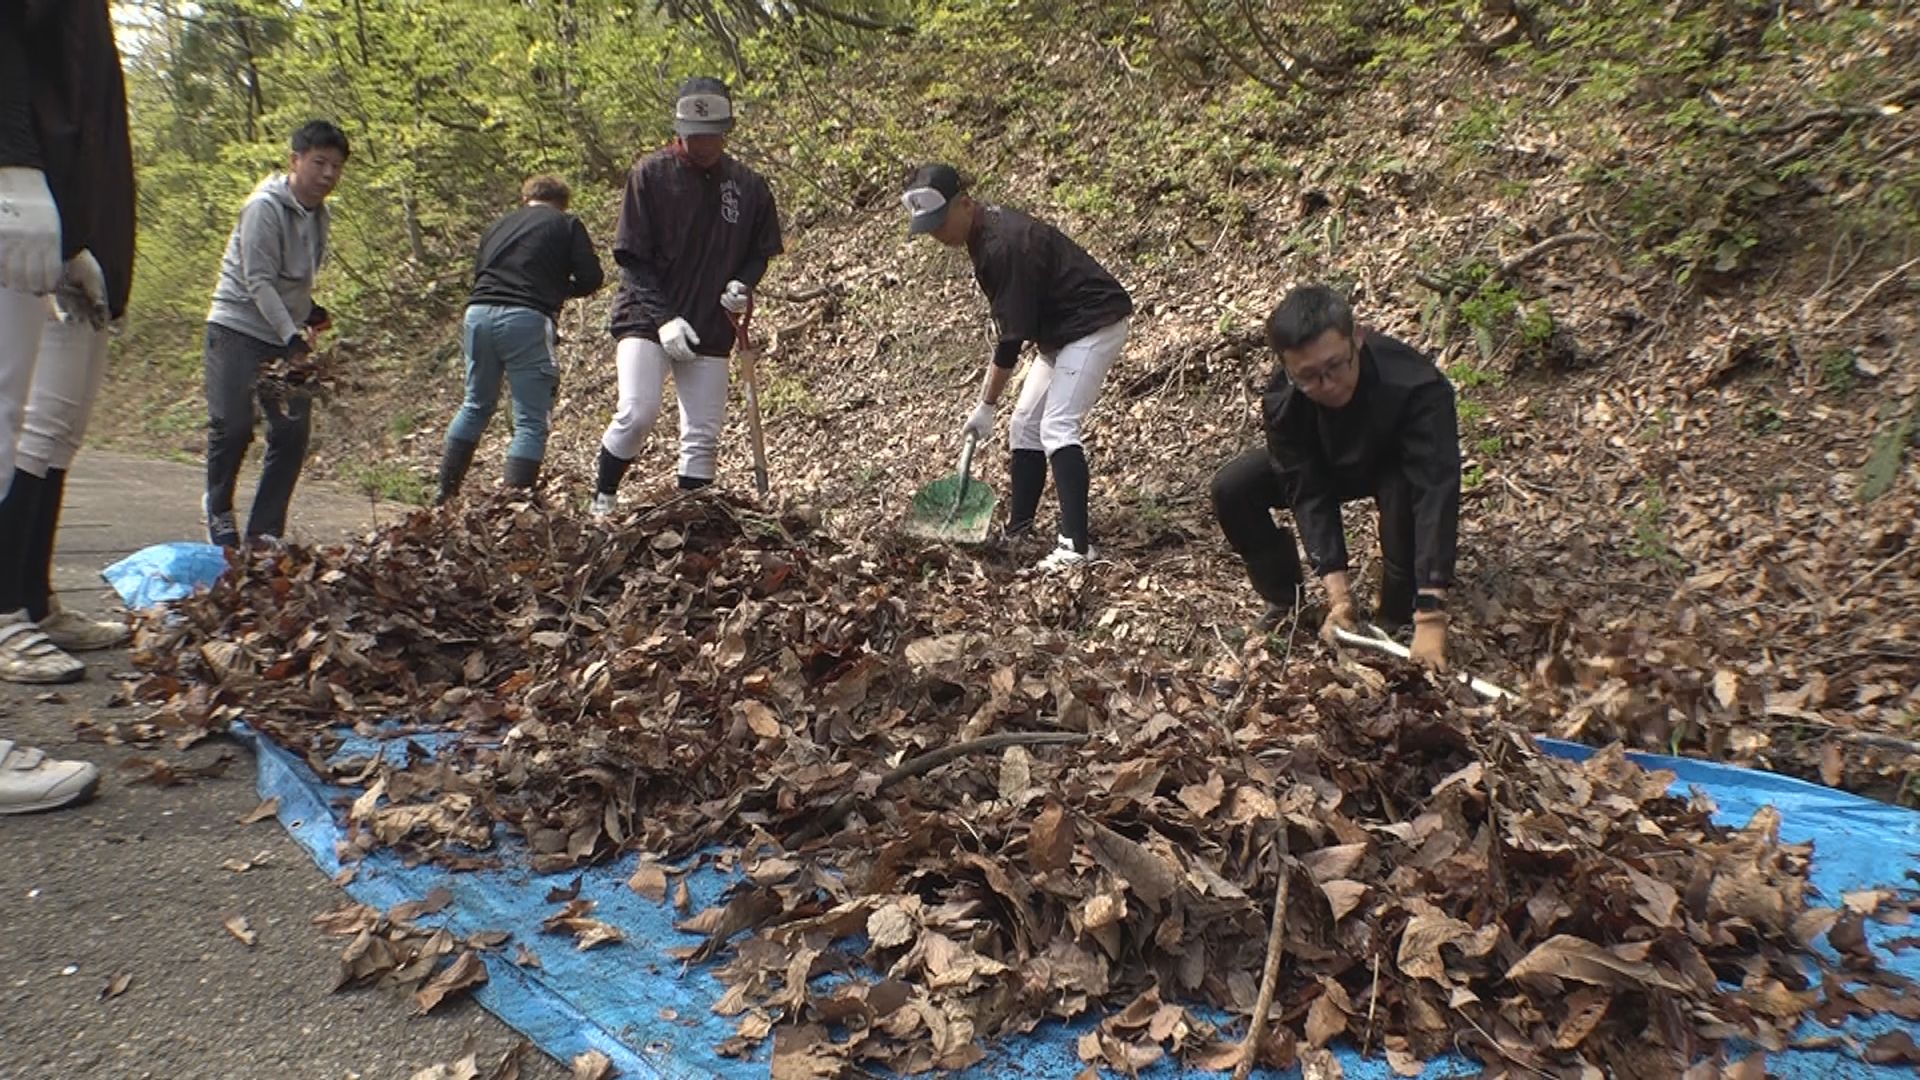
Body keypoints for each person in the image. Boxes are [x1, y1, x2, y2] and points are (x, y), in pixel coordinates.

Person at [0, 0, 135, 810]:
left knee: (37, 431)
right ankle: (8, 608)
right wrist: (12, 162)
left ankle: (31, 598)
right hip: (16, 194)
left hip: (58, 223)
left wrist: (80, 230)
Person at [1210, 285, 1460, 669]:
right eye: (1307, 377)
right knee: (1233, 488)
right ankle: (1284, 601)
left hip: (1394, 466)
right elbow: (1306, 490)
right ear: (1286, 367)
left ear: (1356, 339)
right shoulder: (1283, 401)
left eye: (1335, 366)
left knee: (1403, 491)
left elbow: (1436, 491)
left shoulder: (1415, 385)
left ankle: (1399, 607)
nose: (1326, 386)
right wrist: (1338, 594)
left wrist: (1431, 613)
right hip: (1329, 464)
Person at [901, 163, 1133, 572]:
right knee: (1024, 424)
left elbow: (1011, 339)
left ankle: (1076, 546)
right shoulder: (983, 233)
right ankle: (1020, 529)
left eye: (940, 223)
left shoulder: (1004, 244)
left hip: (1093, 322)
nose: (938, 235)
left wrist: (986, 404)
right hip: (1060, 330)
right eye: (929, 227)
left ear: (965, 204)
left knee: (1058, 426)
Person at [592, 76, 783, 515]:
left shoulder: (749, 186)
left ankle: (688, 519)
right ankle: (603, 499)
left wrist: (741, 285)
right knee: (637, 413)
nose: (705, 144)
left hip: (711, 322)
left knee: (702, 434)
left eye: (714, 134)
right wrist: (663, 319)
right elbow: (631, 258)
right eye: (696, 135)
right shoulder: (650, 175)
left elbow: (759, 253)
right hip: (645, 316)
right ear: (678, 130)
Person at [201, 119, 349, 547]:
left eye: (336, 167)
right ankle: (217, 507)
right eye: (319, 162)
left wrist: (310, 313)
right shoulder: (263, 208)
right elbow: (259, 281)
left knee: (291, 430)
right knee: (233, 426)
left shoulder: (320, 215)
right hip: (236, 328)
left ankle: (265, 532)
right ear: (295, 161)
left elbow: (298, 282)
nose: (327, 174)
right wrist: (292, 338)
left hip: (284, 330)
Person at [436, 175, 605, 503]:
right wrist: (558, 289)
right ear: (562, 202)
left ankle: (445, 492)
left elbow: (481, 271)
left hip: (478, 313)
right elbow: (592, 277)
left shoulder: (498, 226)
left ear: (526, 197)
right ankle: (513, 510)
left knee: (475, 404)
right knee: (530, 417)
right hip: (526, 317)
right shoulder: (565, 224)